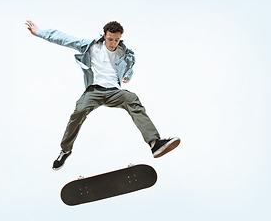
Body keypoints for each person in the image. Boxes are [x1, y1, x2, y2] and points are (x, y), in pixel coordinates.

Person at [25, 20, 180, 171]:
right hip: (95, 90)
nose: (113, 43)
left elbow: (130, 68)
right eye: (110, 39)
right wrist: (39, 32)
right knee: (79, 111)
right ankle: (65, 151)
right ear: (104, 35)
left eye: (117, 40)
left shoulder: (125, 54)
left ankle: (154, 143)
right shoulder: (91, 46)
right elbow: (64, 39)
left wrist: (128, 77)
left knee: (132, 98)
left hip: (114, 92)